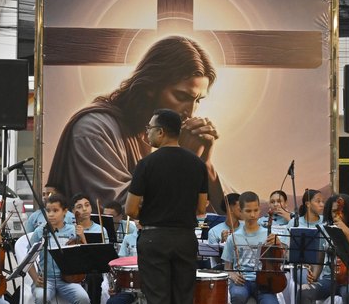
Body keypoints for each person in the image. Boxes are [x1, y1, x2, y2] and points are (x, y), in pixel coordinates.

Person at [48, 35, 224, 211]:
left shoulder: (150, 132)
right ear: (150, 88)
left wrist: (204, 164)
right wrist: (180, 161)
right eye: (181, 97)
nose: (190, 112)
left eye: (198, 100)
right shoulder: (94, 130)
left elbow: (232, 212)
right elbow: (121, 208)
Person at [125, 108, 209, 304]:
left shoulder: (146, 164)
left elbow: (130, 208)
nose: (147, 132)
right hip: (185, 238)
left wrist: (150, 210)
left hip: (154, 239)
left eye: (150, 128)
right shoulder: (197, 164)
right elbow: (200, 208)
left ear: (161, 131)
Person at [28, 194, 91, 304]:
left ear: (65, 212)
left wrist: (82, 237)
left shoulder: (72, 230)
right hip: (46, 279)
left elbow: (85, 256)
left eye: (55, 210)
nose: (51, 214)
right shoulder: (40, 231)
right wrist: (35, 278)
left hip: (67, 279)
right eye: (48, 211)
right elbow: (28, 259)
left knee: (83, 299)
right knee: (41, 298)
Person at [223, 191, 285, 304]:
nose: (253, 214)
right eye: (248, 211)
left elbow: (281, 260)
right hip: (242, 281)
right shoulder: (233, 238)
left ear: (260, 210)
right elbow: (227, 266)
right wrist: (232, 274)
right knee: (237, 297)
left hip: (264, 281)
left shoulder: (269, 235)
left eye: (256, 210)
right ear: (240, 212)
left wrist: (279, 246)